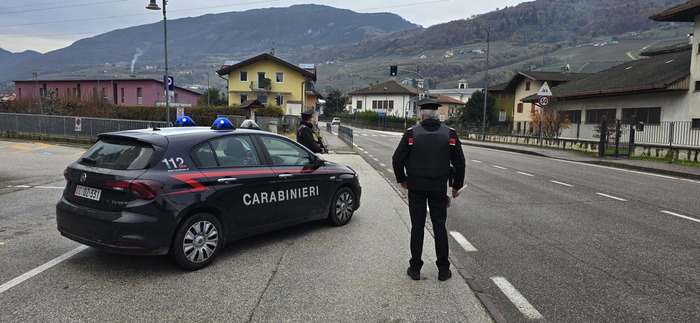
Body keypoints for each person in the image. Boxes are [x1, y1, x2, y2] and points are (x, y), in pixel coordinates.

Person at [392, 98, 466, 281]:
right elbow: (460, 162)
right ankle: (443, 270)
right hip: (438, 187)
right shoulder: (450, 134)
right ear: (438, 115)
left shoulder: (411, 134)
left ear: (422, 116)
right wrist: (456, 186)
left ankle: (415, 268)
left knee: (417, 226)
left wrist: (402, 179)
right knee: (439, 226)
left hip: (416, 187)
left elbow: (397, 159)